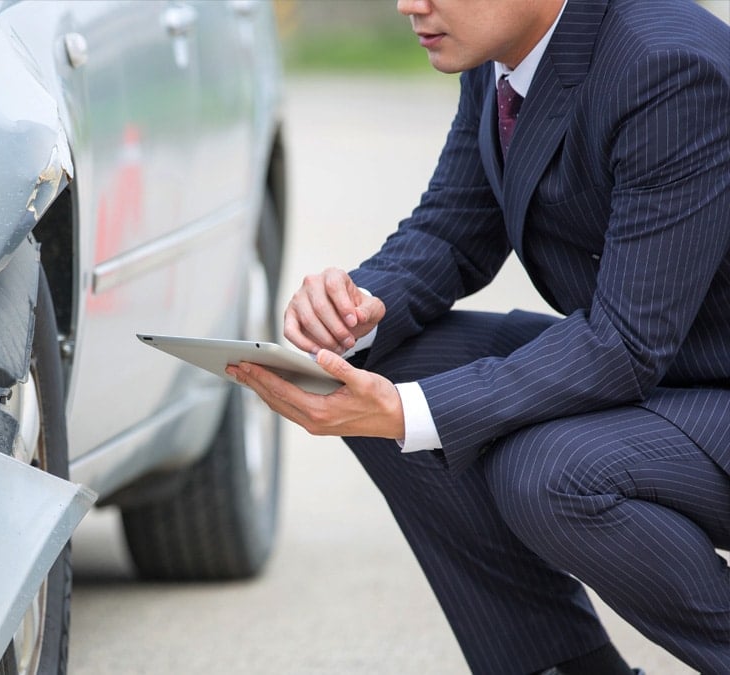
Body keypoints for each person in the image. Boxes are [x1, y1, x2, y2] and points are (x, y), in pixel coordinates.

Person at [228, 0, 730, 672]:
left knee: (550, 472)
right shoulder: (500, 52)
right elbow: (452, 230)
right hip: (664, 371)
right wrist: (355, 307)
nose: (411, 4)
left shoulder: (668, 69)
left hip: (699, 384)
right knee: (382, 360)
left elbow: (624, 344)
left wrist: (409, 411)